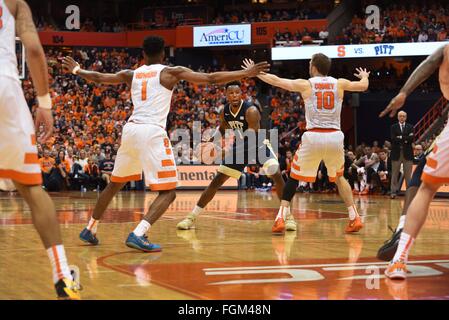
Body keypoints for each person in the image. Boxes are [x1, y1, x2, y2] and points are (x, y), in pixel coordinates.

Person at [64, 36, 270, 252]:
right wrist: (245, 73)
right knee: (169, 192)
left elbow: (98, 77)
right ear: (163, 54)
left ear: (143, 54)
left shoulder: (131, 74)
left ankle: (90, 228)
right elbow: (210, 78)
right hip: (152, 131)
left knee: (115, 183)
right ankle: (139, 233)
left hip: (131, 130)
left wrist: (77, 70)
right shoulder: (169, 72)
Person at [0, 0, 80, 299]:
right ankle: (62, 276)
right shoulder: (15, 3)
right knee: (32, 189)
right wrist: (44, 103)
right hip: (4, 89)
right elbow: (34, 50)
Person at [243, 55, 369, 234]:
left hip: (314, 135)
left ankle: (280, 218)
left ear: (315, 67)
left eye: (310, 63)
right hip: (335, 136)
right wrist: (364, 76)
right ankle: (354, 217)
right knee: (339, 177)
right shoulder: (339, 83)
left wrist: (256, 73)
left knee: (294, 177)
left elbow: (277, 81)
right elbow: (363, 86)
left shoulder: (307, 84)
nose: (309, 66)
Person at [380, 44, 449, 279]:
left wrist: (403, 93)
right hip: (401, 155)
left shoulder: (447, 50)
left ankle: (400, 257)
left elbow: (428, 64)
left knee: (425, 185)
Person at [176, 81, 285, 230]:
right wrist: (209, 141)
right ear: (226, 95)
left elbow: (252, 137)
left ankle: (288, 216)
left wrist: (226, 151)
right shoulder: (225, 111)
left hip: (258, 145)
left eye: (237, 93)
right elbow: (222, 129)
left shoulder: (251, 110)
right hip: (240, 147)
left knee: (276, 173)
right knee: (217, 181)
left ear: (241, 94)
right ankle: (191, 217)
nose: (234, 95)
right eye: (231, 93)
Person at [390, 111, 414, 199]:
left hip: (407, 154)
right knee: (394, 174)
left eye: (404, 116)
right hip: (396, 153)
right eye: (400, 116)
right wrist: (405, 138)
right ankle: (393, 192)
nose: (402, 118)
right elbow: (393, 139)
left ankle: (409, 193)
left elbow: (411, 139)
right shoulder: (393, 127)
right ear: (397, 117)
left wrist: (400, 137)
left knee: (408, 175)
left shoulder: (410, 127)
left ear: (406, 117)